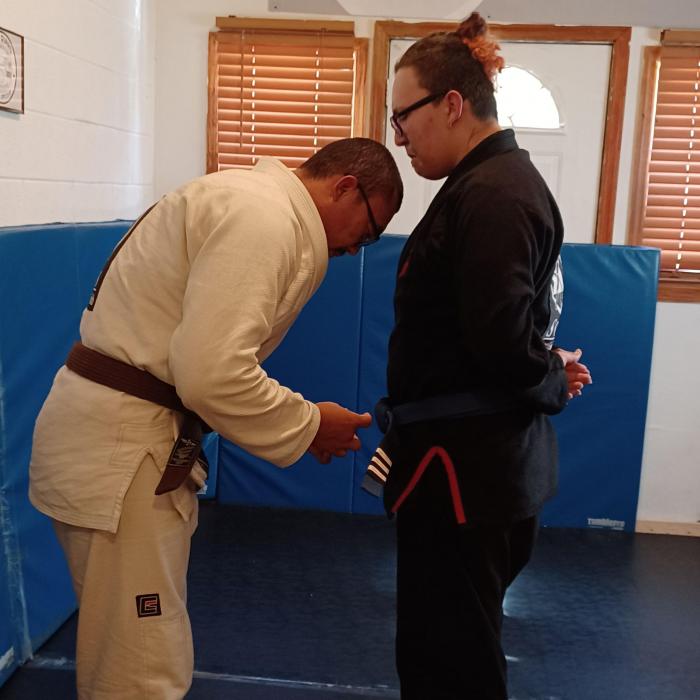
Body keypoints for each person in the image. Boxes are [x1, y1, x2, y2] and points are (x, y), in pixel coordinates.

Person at [28, 137, 403, 699]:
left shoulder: (241, 196)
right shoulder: (264, 219)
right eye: (369, 231)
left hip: (116, 439)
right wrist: (307, 425)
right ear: (346, 187)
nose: (356, 248)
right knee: (141, 673)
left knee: (131, 651)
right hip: (122, 451)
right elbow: (210, 374)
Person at [374, 14, 592, 700]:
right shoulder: (484, 186)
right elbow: (505, 329)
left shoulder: (495, 193)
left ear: (451, 104)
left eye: (403, 117)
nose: (398, 136)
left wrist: (549, 377)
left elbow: (500, 341)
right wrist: (546, 366)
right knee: (439, 652)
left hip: (464, 475)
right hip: (461, 466)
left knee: (454, 666)